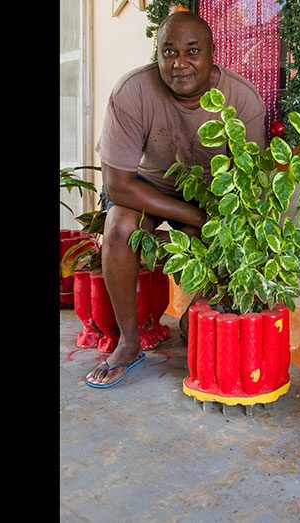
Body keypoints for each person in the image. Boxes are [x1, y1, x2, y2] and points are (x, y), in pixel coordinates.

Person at [85, 11, 267, 388]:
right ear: (157, 53)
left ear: (212, 54)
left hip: (212, 194)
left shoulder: (241, 100)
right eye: (168, 51)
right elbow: (118, 186)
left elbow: (249, 190)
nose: (179, 63)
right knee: (118, 228)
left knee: (232, 232)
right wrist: (191, 217)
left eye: (192, 51)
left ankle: (193, 315)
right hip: (147, 185)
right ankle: (129, 342)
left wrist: (204, 220)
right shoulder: (132, 91)